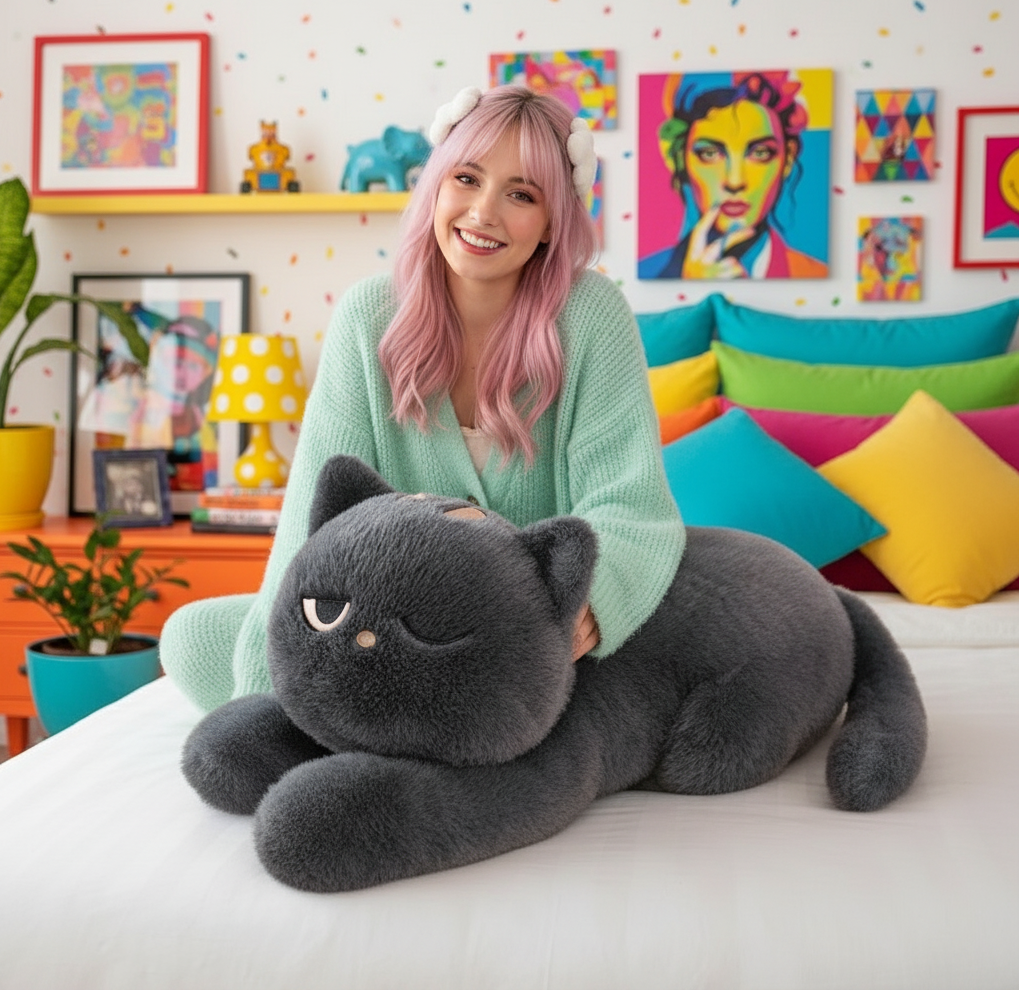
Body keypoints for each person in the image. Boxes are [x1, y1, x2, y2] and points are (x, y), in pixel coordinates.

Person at [161, 84, 686, 713]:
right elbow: (312, 519)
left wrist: (591, 603)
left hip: (530, 631)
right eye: (467, 178)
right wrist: (266, 708)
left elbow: (630, 505)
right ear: (437, 185)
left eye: (522, 194)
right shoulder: (369, 316)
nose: (484, 212)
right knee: (192, 638)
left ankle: (404, 725)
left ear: (552, 223)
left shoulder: (591, 317)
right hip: (393, 626)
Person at [642, 72, 827, 280]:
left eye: (760, 153)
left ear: (788, 159)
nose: (735, 181)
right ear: (678, 158)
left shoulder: (813, 273)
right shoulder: (643, 277)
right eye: (709, 154)